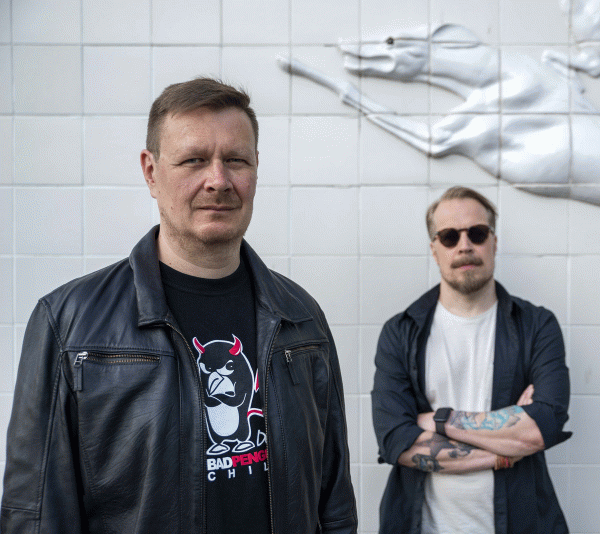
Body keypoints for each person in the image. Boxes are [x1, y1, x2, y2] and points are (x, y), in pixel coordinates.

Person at [1, 78, 357, 534]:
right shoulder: (69, 323)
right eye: (194, 160)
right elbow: (36, 513)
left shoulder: (301, 317)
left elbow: (334, 501)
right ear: (151, 172)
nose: (218, 180)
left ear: (255, 168)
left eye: (236, 160)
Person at [372, 186, 571, 534]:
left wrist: (439, 420)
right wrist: (505, 452)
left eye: (477, 233)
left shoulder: (537, 326)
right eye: (449, 237)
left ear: (494, 241)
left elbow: (542, 426)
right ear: (434, 250)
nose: (464, 246)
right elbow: (395, 440)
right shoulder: (400, 332)